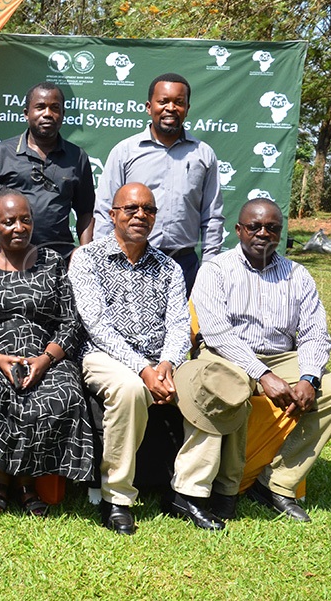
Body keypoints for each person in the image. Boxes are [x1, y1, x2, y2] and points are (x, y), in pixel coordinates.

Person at [190, 197, 331, 522]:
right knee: (235, 386)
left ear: (280, 233)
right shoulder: (215, 270)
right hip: (228, 355)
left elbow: (314, 335)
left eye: (272, 228)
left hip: (282, 356)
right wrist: (262, 374)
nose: (263, 233)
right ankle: (228, 488)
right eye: (255, 227)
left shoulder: (298, 275)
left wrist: (309, 377)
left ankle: (276, 483)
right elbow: (218, 334)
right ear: (239, 230)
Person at [0, 187, 95, 516]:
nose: (19, 227)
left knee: (62, 393)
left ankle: (27, 481)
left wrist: (45, 359)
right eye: (9, 221)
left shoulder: (51, 262)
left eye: (25, 220)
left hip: (40, 352)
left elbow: (71, 322)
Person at [69, 183, 211, 535]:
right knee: (131, 389)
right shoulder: (87, 258)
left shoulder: (168, 267)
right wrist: (144, 369)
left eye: (148, 209)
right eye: (131, 208)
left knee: (208, 388)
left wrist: (168, 364)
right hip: (104, 357)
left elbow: (179, 323)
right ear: (112, 214)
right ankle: (116, 497)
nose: (140, 215)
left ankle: (186, 492)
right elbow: (97, 325)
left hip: (160, 360)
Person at [93, 73, 224, 291]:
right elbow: (105, 209)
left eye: (179, 102)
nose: (170, 108)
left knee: (183, 325)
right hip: (131, 260)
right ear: (148, 106)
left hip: (184, 264)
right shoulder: (125, 152)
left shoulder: (203, 154)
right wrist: (106, 261)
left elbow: (212, 217)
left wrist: (209, 269)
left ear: (187, 109)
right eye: (163, 101)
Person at [0, 82, 94, 257]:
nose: (47, 114)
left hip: (59, 259)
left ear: (63, 115)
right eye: (40, 107)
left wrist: (83, 254)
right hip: (9, 259)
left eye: (55, 108)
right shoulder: (3, 153)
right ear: (26, 114)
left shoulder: (77, 157)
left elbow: (85, 211)